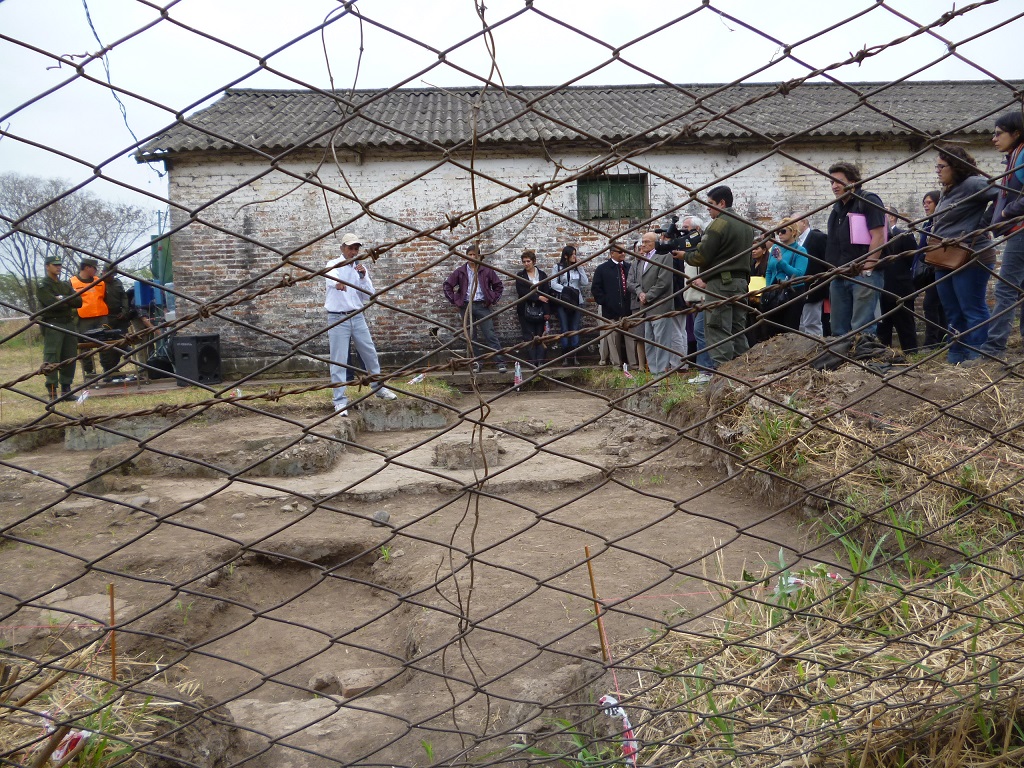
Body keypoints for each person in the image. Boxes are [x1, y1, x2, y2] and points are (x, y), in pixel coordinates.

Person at [930, 146, 999, 364]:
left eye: (941, 166)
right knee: (952, 310)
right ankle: (957, 355)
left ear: (956, 166)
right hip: (943, 256)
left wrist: (984, 223)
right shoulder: (947, 190)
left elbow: (1003, 194)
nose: (937, 171)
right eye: (936, 167)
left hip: (971, 255)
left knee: (972, 308)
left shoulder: (973, 183)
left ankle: (978, 355)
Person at [684, 185, 754, 381]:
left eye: (711, 204)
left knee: (717, 328)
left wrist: (684, 255)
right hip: (741, 282)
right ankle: (743, 373)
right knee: (737, 329)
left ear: (722, 203)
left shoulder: (718, 224)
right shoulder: (746, 225)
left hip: (720, 284)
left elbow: (702, 256)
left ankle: (724, 376)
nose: (708, 208)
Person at [324, 233, 397, 415]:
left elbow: (369, 294)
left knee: (370, 353)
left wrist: (363, 277)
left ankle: (378, 388)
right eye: (350, 248)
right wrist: (337, 283)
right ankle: (339, 401)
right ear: (342, 248)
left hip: (357, 316)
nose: (354, 252)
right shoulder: (333, 264)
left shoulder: (359, 268)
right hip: (338, 318)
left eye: (356, 249)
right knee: (339, 360)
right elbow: (331, 278)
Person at [824, 162, 887, 337]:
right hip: (839, 274)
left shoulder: (868, 200)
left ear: (853, 182)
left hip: (863, 275)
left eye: (839, 181)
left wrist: (868, 268)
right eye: (831, 182)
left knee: (862, 327)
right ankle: (842, 355)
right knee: (838, 329)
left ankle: (863, 354)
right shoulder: (836, 209)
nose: (834, 186)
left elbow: (879, 235)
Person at [980, 111, 1024, 360]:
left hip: (1020, 230)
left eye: (999, 134)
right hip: (1017, 230)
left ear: (1016, 133)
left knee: (1006, 289)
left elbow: (1009, 202)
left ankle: (993, 348)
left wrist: (1008, 212)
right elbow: (1002, 197)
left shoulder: (1022, 156)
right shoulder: (1013, 159)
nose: (994, 139)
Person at [442, 243, 508, 374]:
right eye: (470, 255)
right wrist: (455, 300)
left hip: (482, 305)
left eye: (475, 255)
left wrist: (492, 299)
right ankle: (477, 363)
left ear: (479, 256)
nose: (472, 257)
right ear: (466, 256)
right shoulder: (461, 271)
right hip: (466, 306)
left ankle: (500, 363)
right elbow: (447, 285)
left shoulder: (486, 270)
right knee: (471, 337)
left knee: (490, 334)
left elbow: (498, 286)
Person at [36, 255, 82, 403]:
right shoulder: (43, 285)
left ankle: (66, 389)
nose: (58, 267)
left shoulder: (64, 285)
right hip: (53, 324)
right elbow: (51, 303)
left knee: (70, 356)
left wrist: (61, 298)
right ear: (47, 266)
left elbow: (79, 301)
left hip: (68, 323)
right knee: (52, 356)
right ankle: (52, 391)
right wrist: (66, 300)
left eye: (59, 265)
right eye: (55, 265)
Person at [876, 208, 919, 352]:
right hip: (881, 289)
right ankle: (883, 354)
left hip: (900, 289)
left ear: (892, 217)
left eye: (885, 213)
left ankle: (911, 354)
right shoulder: (877, 237)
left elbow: (913, 260)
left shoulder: (904, 235)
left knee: (905, 325)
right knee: (882, 327)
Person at [635, 230, 676, 374]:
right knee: (649, 341)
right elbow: (637, 280)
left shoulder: (664, 257)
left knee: (661, 341)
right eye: (643, 241)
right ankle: (654, 372)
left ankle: (662, 372)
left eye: (647, 242)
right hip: (646, 308)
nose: (643, 244)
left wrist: (648, 296)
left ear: (655, 243)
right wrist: (640, 293)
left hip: (660, 305)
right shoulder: (642, 259)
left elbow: (663, 282)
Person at [591, 242, 637, 368]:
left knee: (630, 338)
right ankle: (617, 364)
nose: (623, 254)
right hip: (611, 310)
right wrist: (606, 301)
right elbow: (596, 289)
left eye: (624, 251)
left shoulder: (629, 267)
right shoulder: (602, 269)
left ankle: (633, 364)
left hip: (628, 310)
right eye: (620, 252)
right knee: (613, 339)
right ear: (612, 253)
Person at [912, 190, 947, 349]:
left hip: (940, 268)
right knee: (938, 305)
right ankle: (942, 339)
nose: (925, 206)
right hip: (929, 271)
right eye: (924, 203)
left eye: (929, 202)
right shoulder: (927, 223)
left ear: (938, 203)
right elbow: (921, 247)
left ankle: (931, 342)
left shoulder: (940, 223)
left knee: (930, 304)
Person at [763, 217, 809, 336]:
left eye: (783, 231)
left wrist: (781, 262)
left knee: (789, 328)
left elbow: (799, 274)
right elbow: (769, 270)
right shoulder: (775, 247)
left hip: (792, 292)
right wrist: (768, 288)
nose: (779, 234)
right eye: (778, 231)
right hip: (774, 291)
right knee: (770, 329)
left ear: (793, 232)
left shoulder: (800, 250)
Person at [550, 245, 590, 365]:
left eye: (575, 254)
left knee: (575, 327)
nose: (574, 256)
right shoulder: (557, 267)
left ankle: (575, 355)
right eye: (572, 254)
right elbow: (553, 284)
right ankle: (565, 355)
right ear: (566, 256)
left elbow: (585, 282)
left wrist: (580, 267)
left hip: (576, 301)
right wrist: (566, 290)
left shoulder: (577, 268)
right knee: (564, 327)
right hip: (563, 301)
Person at [69, 257, 108, 379]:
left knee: (106, 342)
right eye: (94, 268)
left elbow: (105, 297)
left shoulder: (100, 281)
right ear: (87, 268)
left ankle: (108, 369)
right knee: (85, 345)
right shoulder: (72, 282)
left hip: (101, 317)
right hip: (84, 318)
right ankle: (89, 372)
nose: (96, 271)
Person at [514, 250, 553, 367]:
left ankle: (540, 361)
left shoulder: (542, 275)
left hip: (540, 309)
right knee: (528, 335)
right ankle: (532, 361)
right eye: (524, 262)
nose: (526, 264)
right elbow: (522, 291)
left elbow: (546, 294)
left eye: (528, 261)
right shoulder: (520, 275)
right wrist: (537, 297)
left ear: (534, 261)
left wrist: (547, 312)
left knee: (540, 334)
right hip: (525, 309)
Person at [793, 217, 829, 337]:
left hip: (814, 287)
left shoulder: (818, 237)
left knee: (812, 323)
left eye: (794, 222)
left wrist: (824, 284)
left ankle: (815, 346)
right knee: (801, 324)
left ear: (804, 222)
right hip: (798, 289)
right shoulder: (795, 242)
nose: (792, 226)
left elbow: (827, 261)